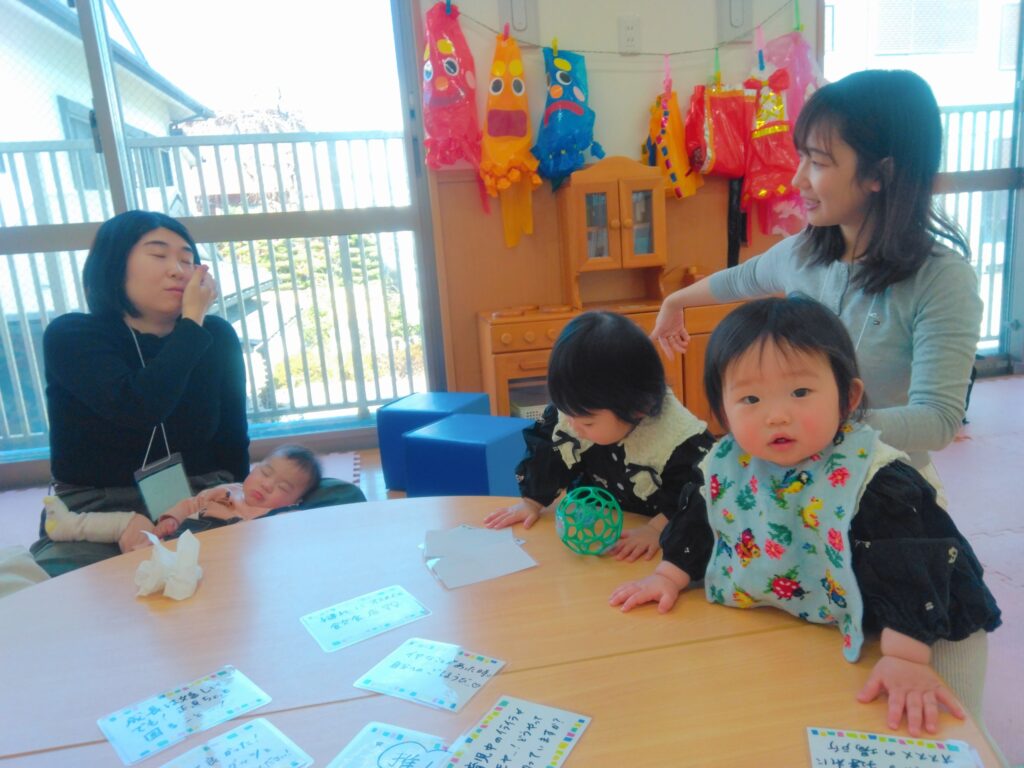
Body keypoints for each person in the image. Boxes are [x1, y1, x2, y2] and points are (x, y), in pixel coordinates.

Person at [611, 297, 1001, 737]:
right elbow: (705, 520)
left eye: (800, 392)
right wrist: (667, 576)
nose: (777, 414)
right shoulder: (728, 464)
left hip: (925, 625)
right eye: (751, 398)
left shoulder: (874, 479)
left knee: (955, 730)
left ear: (848, 397)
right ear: (722, 412)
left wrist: (905, 655)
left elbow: (910, 566)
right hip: (819, 624)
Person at [651, 70, 981, 480]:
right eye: (801, 156)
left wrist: (818, 424)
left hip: (884, 487)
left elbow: (938, 419)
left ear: (882, 174)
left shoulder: (942, 278)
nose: (797, 178)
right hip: (795, 481)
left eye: (819, 162)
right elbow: (738, 280)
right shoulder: (803, 252)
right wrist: (675, 302)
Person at [33, 210, 250, 573]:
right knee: (73, 599)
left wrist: (239, 496)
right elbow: (139, 407)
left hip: (199, 496)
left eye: (187, 259)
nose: (178, 269)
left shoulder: (217, 336)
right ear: (115, 265)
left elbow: (232, 438)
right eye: (158, 254)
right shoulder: (73, 335)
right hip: (98, 509)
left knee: (334, 497)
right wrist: (192, 323)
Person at [484, 311, 715, 561]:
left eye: (587, 422)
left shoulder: (677, 440)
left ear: (638, 409)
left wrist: (655, 529)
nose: (573, 425)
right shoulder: (575, 413)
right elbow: (548, 452)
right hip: (597, 521)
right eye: (566, 412)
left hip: (655, 535)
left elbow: (692, 496)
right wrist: (532, 501)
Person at [44, 445, 322, 552]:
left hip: (204, 561)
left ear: (294, 502)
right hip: (168, 545)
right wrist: (171, 518)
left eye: (282, 487)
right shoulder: (227, 490)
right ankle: (70, 525)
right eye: (266, 473)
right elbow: (191, 504)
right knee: (134, 522)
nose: (266, 485)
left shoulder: (277, 518)